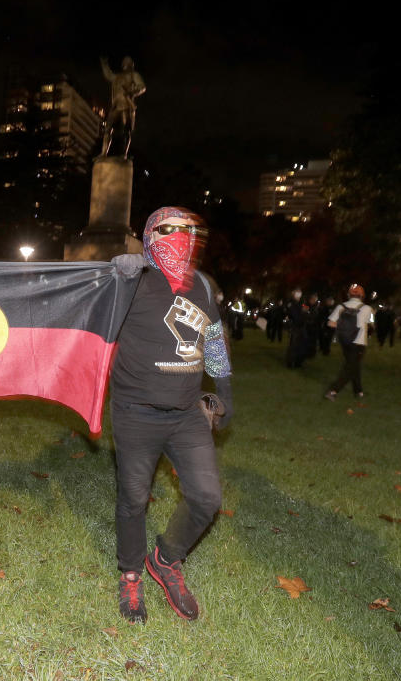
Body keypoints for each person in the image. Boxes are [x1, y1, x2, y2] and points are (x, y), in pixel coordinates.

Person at [109, 206, 233, 624]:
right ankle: (130, 574)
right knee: (133, 499)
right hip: (135, 412)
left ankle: (165, 559)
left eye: (189, 231)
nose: (181, 238)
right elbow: (82, 303)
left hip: (186, 415)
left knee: (205, 497)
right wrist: (112, 270)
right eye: (170, 230)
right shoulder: (130, 281)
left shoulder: (200, 284)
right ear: (149, 235)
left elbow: (213, 341)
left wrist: (225, 394)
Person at [324, 284, 374, 401]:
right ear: (362, 295)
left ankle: (358, 391)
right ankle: (333, 391)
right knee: (350, 367)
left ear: (349, 294)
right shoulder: (368, 309)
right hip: (359, 343)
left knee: (354, 365)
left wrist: (343, 328)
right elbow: (372, 324)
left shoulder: (341, 306)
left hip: (345, 341)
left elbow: (330, 323)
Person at [100, 56, 146, 157]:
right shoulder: (117, 76)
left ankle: (123, 154)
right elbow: (109, 75)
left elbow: (142, 87)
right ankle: (103, 153)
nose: (125, 63)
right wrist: (104, 64)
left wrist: (131, 91)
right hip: (115, 106)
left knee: (126, 130)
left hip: (126, 105)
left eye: (128, 61)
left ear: (131, 64)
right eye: (124, 61)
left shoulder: (134, 74)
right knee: (107, 129)